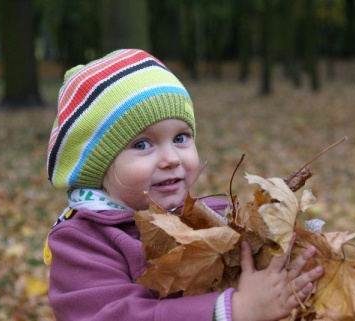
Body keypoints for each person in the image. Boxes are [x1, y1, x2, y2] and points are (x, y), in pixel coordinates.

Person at [43, 49, 323, 321]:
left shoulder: (213, 215)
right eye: (142, 144)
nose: (171, 159)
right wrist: (232, 310)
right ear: (98, 165)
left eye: (180, 138)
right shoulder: (82, 242)